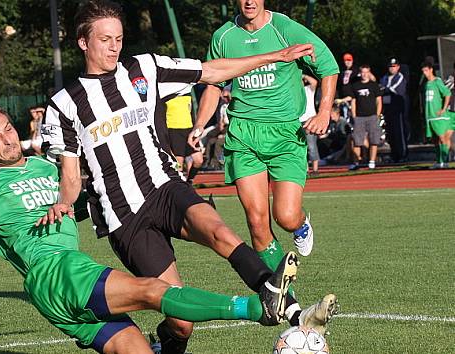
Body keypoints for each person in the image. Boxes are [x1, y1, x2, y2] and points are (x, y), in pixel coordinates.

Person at [0, 106, 305, 354]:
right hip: (54, 270)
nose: (4, 139)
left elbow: (89, 200)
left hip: (60, 291)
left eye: (7, 129)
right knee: (152, 291)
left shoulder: (47, 167)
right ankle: (259, 309)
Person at [40, 1, 336, 353]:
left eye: (119, 38)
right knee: (181, 324)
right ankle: (168, 343)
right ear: (83, 42)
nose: (114, 47)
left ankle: (280, 302)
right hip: (124, 216)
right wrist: (63, 202)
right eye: (105, 39)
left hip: (165, 186)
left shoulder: (144, 68)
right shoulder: (64, 104)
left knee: (218, 231)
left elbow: (211, 72)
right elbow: (71, 176)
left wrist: (275, 56)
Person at [189, 1, 339, 329]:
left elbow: (327, 65)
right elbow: (213, 84)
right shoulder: (224, 36)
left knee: (284, 216)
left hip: (286, 135)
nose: (250, 1)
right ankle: (292, 305)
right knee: (257, 224)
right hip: (243, 135)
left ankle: (300, 225)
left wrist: (324, 111)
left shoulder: (285, 29)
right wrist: (199, 126)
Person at [348, 65, 383, 170]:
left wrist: (377, 114)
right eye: (362, 72)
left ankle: (372, 162)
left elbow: (379, 100)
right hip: (359, 117)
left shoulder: (374, 85)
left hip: (372, 116)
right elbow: (353, 101)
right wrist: (354, 115)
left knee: (374, 140)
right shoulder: (355, 86)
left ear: (369, 72)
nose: (364, 74)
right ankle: (356, 162)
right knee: (357, 141)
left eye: (366, 72)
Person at [165, 94, 203, 182]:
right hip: (174, 132)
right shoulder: (166, 95)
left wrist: (196, 130)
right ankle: (178, 187)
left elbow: (193, 113)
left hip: (189, 130)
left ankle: (189, 181)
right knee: (179, 166)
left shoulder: (188, 94)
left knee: (199, 160)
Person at [421, 62, 452, 168]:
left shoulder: (437, 81)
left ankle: (445, 161)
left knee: (442, 138)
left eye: (426, 70)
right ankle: (439, 161)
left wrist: (443, 109)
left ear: (431, 70)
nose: (424, 73)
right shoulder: (426, 84)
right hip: (430, 116)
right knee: (435, 140)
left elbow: (447, 93)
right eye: (423, 71)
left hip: (438, 115)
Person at [380, 57, 408, 163]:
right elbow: (381, 89)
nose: (392, 69)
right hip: (388, 109)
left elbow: (394, 89)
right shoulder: (385, 78)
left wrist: (385, 89)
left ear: (398, 67)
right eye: (390, 66)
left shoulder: (400, 77)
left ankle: (402, 154)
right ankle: (394, 154)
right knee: (390, 133)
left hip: (397, 109)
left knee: (399, 131)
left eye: (394, 66)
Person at [300, 74, 321, 176]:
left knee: (312, 145)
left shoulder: (308, 89)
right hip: (298, 121)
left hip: (309, 119)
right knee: (302, 146)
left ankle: (315, 169)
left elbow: (315, 82)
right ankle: (306, 169)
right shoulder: (293, 92)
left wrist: (303, 75)